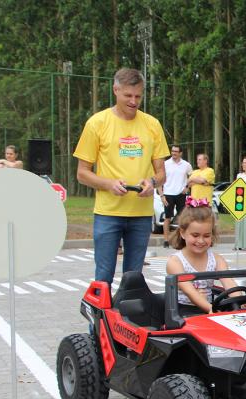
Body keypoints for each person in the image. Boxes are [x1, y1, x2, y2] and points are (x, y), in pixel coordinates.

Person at [74, 67, 169, 285]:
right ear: (115, 90)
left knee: (133, 279)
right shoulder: (97, 123)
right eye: (128, 95)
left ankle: (128, 318)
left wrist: (152, 182)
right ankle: (97, 320)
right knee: (104, 276)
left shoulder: (152, 124)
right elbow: (82, 174)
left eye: (138, 96)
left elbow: (162, 173)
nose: (134, 101)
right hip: (108, 213)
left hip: (141, 214)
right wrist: (108, 184)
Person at [166, 199, 246, 313]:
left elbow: (228, 283)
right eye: (195, 235)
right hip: (183, 311)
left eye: (206, 235)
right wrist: (210, 309)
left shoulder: (216, 259)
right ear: (182, 233)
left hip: (210, 307)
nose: (201, 241)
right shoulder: (175, 262)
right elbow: (190, 291)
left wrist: (240, 301)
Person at [160, 145, 192, 248]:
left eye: (176, 151)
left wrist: (187, 187)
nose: (173, 153)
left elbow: (192, 177)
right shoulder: (165, 164)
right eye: (172, 151)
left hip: (180, 194)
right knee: (167, 218)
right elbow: (159, 180)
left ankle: (180, 239)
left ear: (180, 153)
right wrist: (162, 195)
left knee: (182, 218)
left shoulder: (186, 165)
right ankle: (166, 240)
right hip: (168, 194)